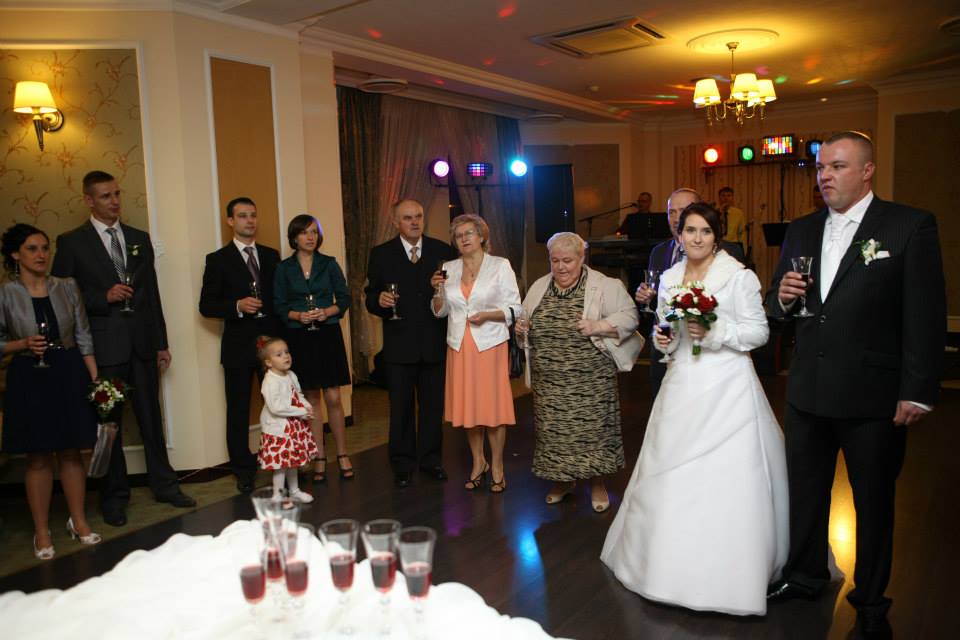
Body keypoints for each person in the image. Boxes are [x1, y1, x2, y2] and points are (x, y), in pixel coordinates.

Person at [765, 131, 945, 637]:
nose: (825, 176)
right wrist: (783, 297)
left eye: (838, 166)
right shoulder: (801, 229)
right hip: (808, 390)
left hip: (873, 395)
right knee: (805, 493)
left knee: (874, 501)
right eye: (821, 167)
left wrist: (917, 389)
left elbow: (925, 314)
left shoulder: (908, 225)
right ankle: (805, 576)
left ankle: (870, 599)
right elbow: (779, 305)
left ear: (867, 171)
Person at [601, 202, 789, 616]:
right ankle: (662, 565)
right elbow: (666, 328)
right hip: (683, 380)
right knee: (670, 467)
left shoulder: (738, 276)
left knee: (725, 476)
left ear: (717, 237)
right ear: (679, 235)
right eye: (690, 230)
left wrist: (714, 331)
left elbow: (758, 332)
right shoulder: (670, 278)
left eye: (705, 231)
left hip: (728, 385)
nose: (697, 238)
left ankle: (727, 574)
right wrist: (665, 340)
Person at [51, 170, 194, 527]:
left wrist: (161, 342)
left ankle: (165, 486)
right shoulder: (72, 242)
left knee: (151, 420)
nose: (114, 201)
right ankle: (114, 497)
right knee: (109, 426)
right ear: (89, 200)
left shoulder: (138, 238)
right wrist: (103, 297)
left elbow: (152, 295)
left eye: (116, 194)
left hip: (142, 345)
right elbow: (62, 298)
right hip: (104, 349)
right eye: (105, 196)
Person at [518, 232, 641, 512]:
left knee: (594, 433)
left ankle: (597, 483)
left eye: (568, 260)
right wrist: (522, 329)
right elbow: (525, 319)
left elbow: (630, 316)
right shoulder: (539, 286)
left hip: (591, 380)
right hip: (549, 381)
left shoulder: (605, 285)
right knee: (554, 434)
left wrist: (599, 326)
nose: (561, 267)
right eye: (555, 260)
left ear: (581, 258)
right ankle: (563, 481)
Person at [0, 224, 101, 558]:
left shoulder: (66, 286)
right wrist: (22, 344)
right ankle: (42, 532)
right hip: (27, 374)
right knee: (38, 456)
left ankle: (79, 521)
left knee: (72, 451)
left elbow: (83, 334)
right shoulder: (6, 293)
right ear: (15, 254)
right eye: (32, 248)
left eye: (45, 248)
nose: (41, 254)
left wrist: (96, 380)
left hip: (68, 370)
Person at [364, 199, 456, 488]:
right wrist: (378, 300)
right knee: (401, 409)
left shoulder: (442, 251)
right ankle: (402, 464)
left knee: (432, 408)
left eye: (418, 216)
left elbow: (454, 294)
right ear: (396, 222)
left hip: (433, 342)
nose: (415, 222)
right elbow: (370, 295)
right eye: (407, 218)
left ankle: (431, 461)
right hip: (398, 345)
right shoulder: (381, 254)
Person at [432, 214, 520, 493]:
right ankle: (478, 461)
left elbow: (515, 308)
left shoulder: (500, 265)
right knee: (469, 408)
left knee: (492, 409)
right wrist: (437, 291)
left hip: (490, 344)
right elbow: (440, 312)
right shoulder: (449, 268)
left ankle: (497, 466)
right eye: (459, 235)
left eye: (469, 233)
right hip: (459, 345)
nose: (464, 238)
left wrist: (489, 315)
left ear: (481, 236)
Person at [199, 197, 281, 494]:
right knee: (238, 410)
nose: (250, 220)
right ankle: (243, 470)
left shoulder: (271, 256)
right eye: (243, 216)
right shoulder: (217, 259)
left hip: (272, 346)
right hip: (238, 346)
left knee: (279, 405)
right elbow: (206, 305)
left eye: (253, 215)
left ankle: (283, 463)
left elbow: (280, 299)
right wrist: (237, 305)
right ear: (231, 221)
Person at [634, 188, 745, 398]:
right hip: (664, 349)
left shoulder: (729, 252)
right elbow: (660, 304)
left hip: (708, 354)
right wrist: (645, 297)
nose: (677, 218)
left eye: (683, 210)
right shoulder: (658, 252)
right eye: (671, 212)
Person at [273, 214, 353, 483]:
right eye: (304, 232)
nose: (310, 237)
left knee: (333, 397)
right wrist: (298, 315)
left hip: (328, 333)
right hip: (300, 337)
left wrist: (326, 312)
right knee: (312, 399)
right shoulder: (283, 268)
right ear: (294, 237)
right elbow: (279, 305)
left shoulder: (328, 263)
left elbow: (344, 298)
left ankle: (342, 454)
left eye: (314, 232)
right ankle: (319, 456)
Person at [255, 335, 319, 503]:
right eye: (279, 354)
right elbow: (276, 407)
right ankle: (278, 495)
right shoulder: (270, 382)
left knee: (292, 461)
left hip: (293, 426)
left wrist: (306, 406)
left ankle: (294, 490)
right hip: (279, 430)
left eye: (287, 352)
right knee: (281, 465)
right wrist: (300, 411)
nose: (285, 356)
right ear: (269, 362)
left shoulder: (290, 375)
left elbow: (298, 394)